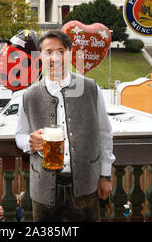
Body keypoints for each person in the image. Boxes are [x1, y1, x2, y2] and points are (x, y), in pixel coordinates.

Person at [15, 30, 115, 222]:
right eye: (49, 52)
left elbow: (104, 133)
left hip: (86, 187)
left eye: (61, 51)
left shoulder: (91, 88)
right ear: (40, 56)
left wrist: (105, 175)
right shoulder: (29, 95)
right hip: (44, 191)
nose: (55, 57)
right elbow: (19, 135)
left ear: (70, 53)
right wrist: (29, 141)